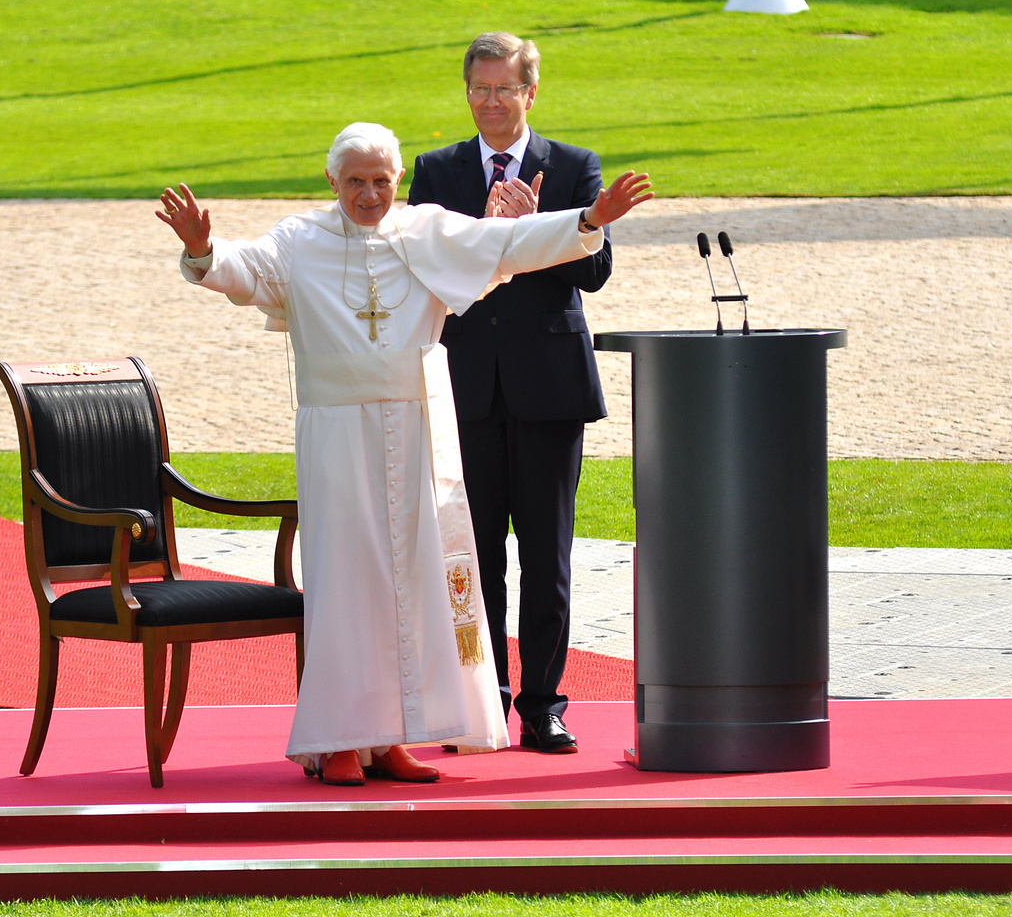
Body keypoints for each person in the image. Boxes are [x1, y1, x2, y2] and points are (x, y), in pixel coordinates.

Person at [157, 122, 651, 786]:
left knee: (412, 584)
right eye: (355, 181)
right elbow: (244, 271)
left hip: (418, 428)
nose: (369, 193)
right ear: (332, 181)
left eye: (381, 180)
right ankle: (337, 741)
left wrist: (588, 218)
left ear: (397, 181)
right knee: (346, 584)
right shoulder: (300, 240)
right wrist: (203, 249)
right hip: (338, 437)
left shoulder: (424, 231)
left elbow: (507, 242)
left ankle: (391, 738)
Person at [405, 32, 609, 755]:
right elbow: (422, 270)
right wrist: (489, 235)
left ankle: (543, 705)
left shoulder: (575, 167)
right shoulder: (437, 171)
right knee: (476, 554)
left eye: (505, 89)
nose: (491, 102)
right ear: (467, 93)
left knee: (546, 558)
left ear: (531, 93)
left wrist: (535, 233)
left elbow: (595, 272)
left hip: (549, 389)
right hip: (465, 390)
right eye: (479, 89)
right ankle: (482, 699)